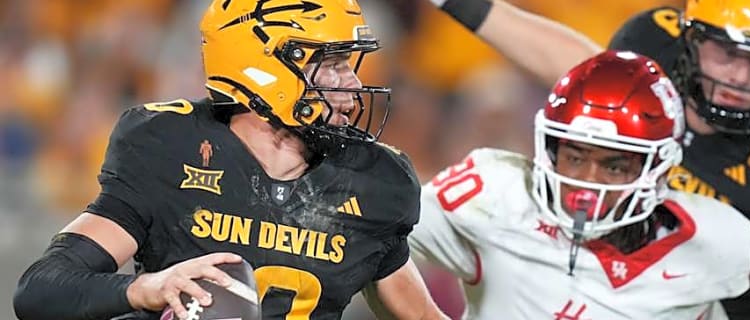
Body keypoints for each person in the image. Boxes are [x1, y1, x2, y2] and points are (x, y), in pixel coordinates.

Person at [13, 0, 448, 319]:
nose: (352, 84)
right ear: (265, 68)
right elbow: (41, 290)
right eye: (331, 65)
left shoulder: (374, 180)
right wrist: (148, 288)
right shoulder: (170, 147)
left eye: (348, 63)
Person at [428, 0, 750, 317]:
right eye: (727, 52)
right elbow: (580, 65)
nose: (738, 76)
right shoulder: (653, 45)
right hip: (604, 264)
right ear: (691, 37)